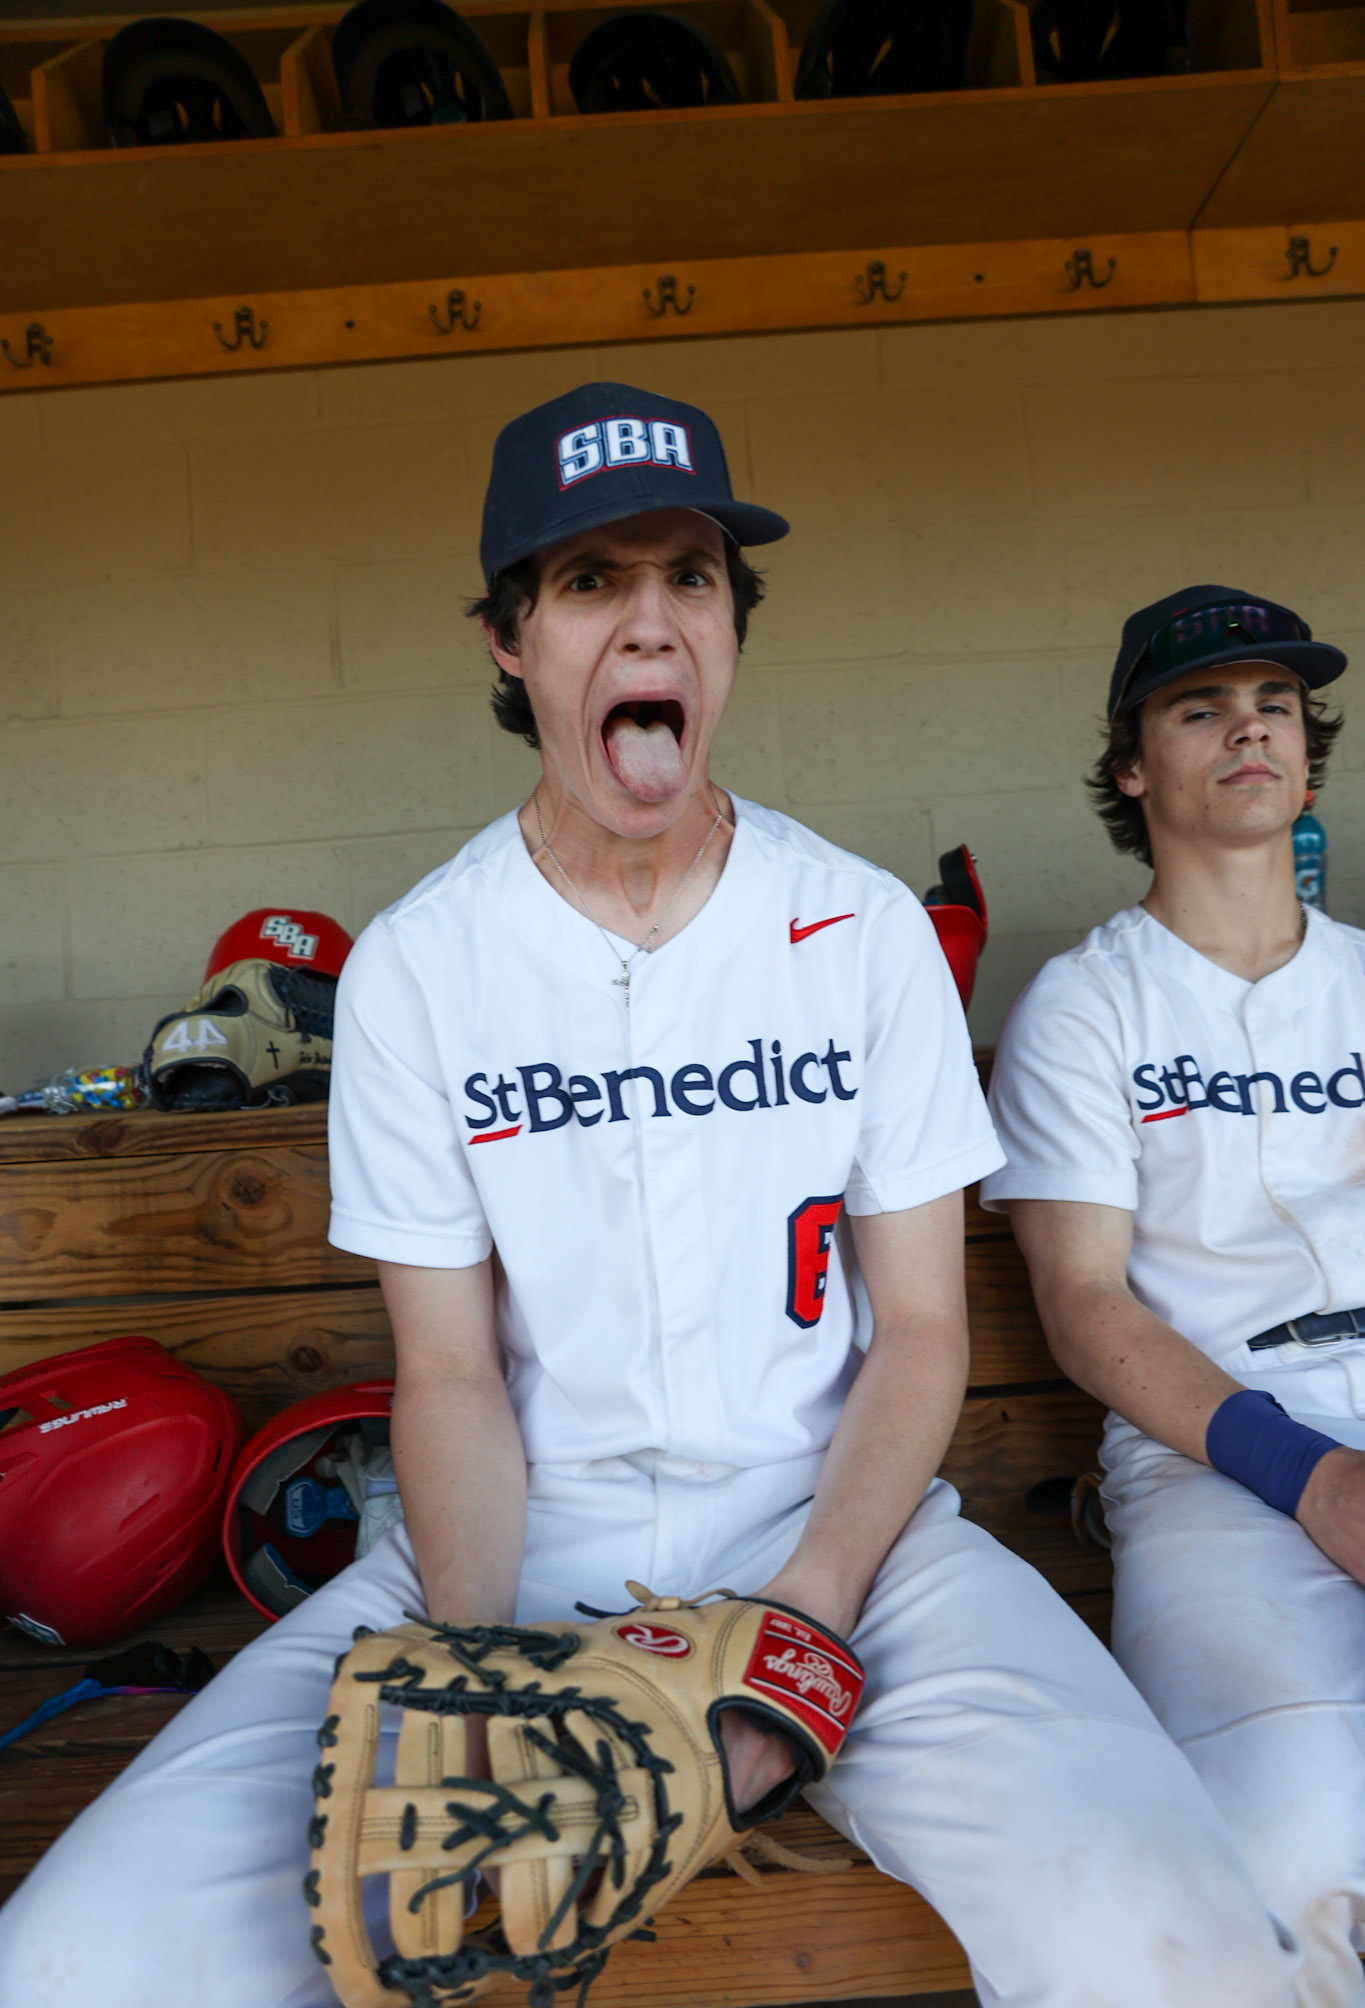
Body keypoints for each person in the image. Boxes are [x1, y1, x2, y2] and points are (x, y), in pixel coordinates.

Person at [0, 415, 1298, 2008]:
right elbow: (453, 1377)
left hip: (844, 1532)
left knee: (1183, 1940)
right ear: (509, 640)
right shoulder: (426, 961)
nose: (649, 616)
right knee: (77, 1961)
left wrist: (803, 1628)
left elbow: (923, 1333)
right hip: (520, 1535)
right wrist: (468, 1681)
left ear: (731, 632)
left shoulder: (860, 930)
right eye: (587, 579)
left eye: (691, 574)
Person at [983, 586, 1365, 2004]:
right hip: (1220, 1454)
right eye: (1197, 707)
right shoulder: (1088, 1007)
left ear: (1307, 757)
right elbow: (1085, 1308)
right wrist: (1313, 1476)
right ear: (1134, 769)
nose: (1245, 726)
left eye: (1271, 703)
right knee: (1287, 1862)